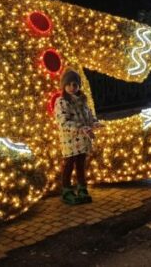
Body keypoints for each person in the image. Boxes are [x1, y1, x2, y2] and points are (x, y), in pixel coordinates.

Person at [55, 70, 99, 205]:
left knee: (80, 164)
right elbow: (64, 122)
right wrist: (82, 128)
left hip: (83, 140)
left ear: (79, 86)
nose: (72, 87)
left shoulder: (82, 100)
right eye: (68, 84)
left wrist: (94, 123)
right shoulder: (61, 102)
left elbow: (88, 115)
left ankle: (82, 188)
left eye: (75, 84)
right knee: (69, 164)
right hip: (70, 140)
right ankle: (66, 190)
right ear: (64, 85)